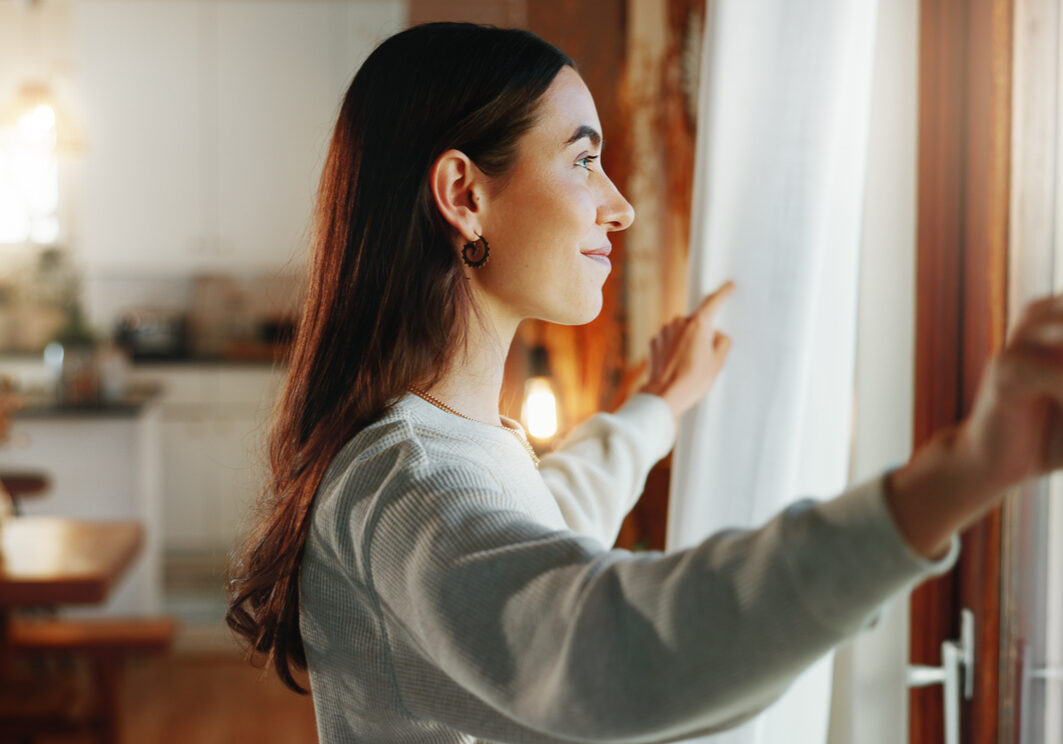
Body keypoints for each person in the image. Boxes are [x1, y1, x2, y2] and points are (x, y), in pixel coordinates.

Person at [227, 22, 1063, 744]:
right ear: (462, 194)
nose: (618, 207)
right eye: (583, 162)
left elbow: (541, 518)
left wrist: (653, 410)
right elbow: (598, 650)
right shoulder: (404, 480)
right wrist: (959, 472)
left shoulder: (439, 446)